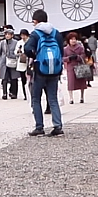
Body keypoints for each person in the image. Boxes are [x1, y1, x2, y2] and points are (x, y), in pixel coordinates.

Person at [25, 9, 64, 137]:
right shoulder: (56, 33)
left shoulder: (35, 34)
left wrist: (34, 55)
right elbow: (61, 51)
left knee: (36, 98)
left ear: (35, 21)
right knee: (53, 98)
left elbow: (27, 49)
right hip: (54, 70)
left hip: (40, 69)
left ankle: (39, 127)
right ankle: (58, 126)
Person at [63, 32, 87, 104]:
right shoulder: (65, 49)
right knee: (70, 82)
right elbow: (63, 58)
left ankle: (82, 97)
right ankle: (71, 98)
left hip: (79, 65)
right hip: (70, 67)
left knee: (81, 82)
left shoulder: (80, 48)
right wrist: (69, 58)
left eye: (75, 39)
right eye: (71, 39)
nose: (73, 41)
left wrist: (77, 57)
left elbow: (83, 56)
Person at [0, 28, 19, 99]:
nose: (7, 36)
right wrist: (1, 59)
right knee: (4, 78)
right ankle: (4, 93)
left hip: (13, 61)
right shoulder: (2, 42)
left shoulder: (16, 42)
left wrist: (14, 56)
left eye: (8, 34)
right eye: (6, 34)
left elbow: (17, 51)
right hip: (4, 61)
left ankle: (14, 93)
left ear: (12, 35)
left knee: (14, 78)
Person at [15, 29, 31, 100]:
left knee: (30, 79)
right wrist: (18, 52)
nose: (23, 37)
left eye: (24, 35)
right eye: (21, 35)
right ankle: (25, 94)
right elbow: (15, 52)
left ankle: (30, 93)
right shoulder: (19, 42)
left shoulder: (30, 41)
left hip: (29, 61)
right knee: (23, 79)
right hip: (22, 61)